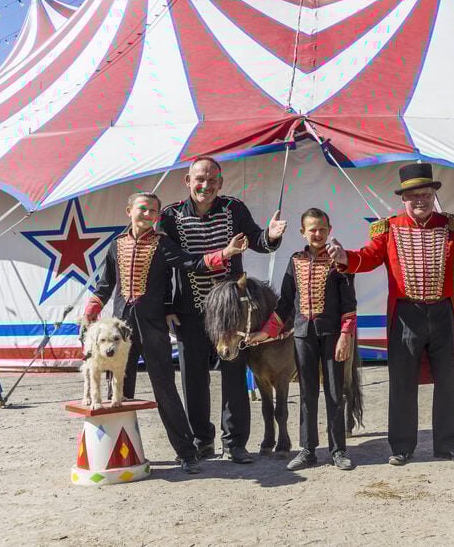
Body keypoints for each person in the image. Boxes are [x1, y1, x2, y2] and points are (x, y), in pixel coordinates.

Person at [327, 163, 454, 466]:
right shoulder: (388, 227)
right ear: (403, 198)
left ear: (434, 195)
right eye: (414, 196)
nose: (420, 201)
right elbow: (367, 258)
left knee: (448, 380)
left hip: (443, 312)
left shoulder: (451, 226)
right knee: (401, 381)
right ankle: (402, 447)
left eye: (426, 195)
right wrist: (344, 258)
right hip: (405, 313)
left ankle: (448, 446)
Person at [81, 192, 249, 474]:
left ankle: (186, 452)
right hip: (120, 328)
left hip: (153, 326)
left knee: (165, 389)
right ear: (128, 211)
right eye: (142, 209)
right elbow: (105, 285)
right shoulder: (116, 245)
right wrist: (90, 311)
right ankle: (115, 455)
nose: (147, 214)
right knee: (117, 387)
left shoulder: (162, 244)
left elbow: (190, 262)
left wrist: (225, 254)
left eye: (153, 211)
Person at [158, 157, 288, 464]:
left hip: (231, 312)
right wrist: (222, 255)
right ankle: (202, 441)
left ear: (221, 182)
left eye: (212, 180)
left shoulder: (234, 209)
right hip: (190, 308)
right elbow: (172, 259)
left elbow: (257, 241)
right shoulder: (170, 215)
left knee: (233, 374)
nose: (205, 185)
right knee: (194, 377)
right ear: (187, 182)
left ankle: (235, 443)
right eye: (199, 179)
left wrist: (269, 236)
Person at [247, 208, 357, 472]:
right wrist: (264, 333)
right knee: (307, 394)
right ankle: (308, 450)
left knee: (333, 393)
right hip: (303, 335)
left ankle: (338, 450)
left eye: (321, 229)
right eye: (312, 229)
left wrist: (345, 336)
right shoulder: (295, 261)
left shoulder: (339, 262)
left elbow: (350, 305)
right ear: (303, 232)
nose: (317, 234)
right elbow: (284, 304)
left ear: (329, 230)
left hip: (332, 335)